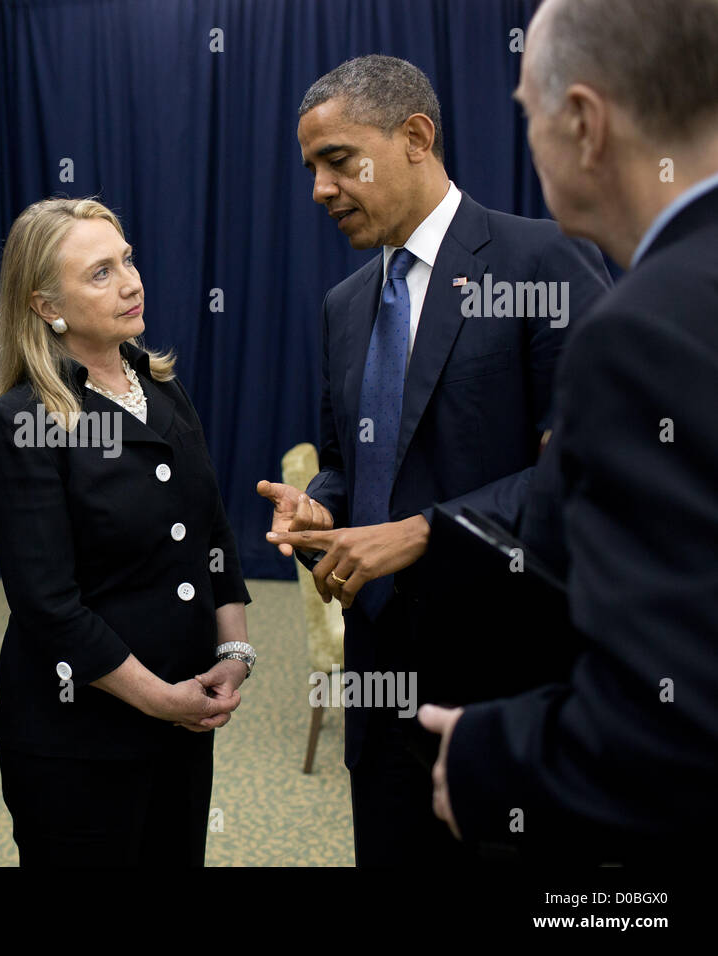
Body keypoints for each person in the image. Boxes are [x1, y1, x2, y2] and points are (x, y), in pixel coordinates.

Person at [259, 55, 611, 866]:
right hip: (378, 685)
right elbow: (350, 462)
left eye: (339, 161)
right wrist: (322, 505)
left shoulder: (541, 261)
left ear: (415, 137)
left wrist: (427, 531)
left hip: (509, 680)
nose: (318, 189)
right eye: (310, 168)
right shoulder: (343, 306)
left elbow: (588, 469)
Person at [419, 0, 718, 859]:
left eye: (529, 114)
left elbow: (671, 728)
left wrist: (488, 763)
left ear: (583, 123)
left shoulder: (643, 333)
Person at [0, 198, 252, 867]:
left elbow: (211, 530)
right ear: (46, 306)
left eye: (126, 259)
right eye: (100, 273)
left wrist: (235, 650)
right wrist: (161, 700)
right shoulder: (20, 423)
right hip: (78, 739)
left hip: (185, 720)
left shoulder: (160, 388)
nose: (131, 281)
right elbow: (48, 605)